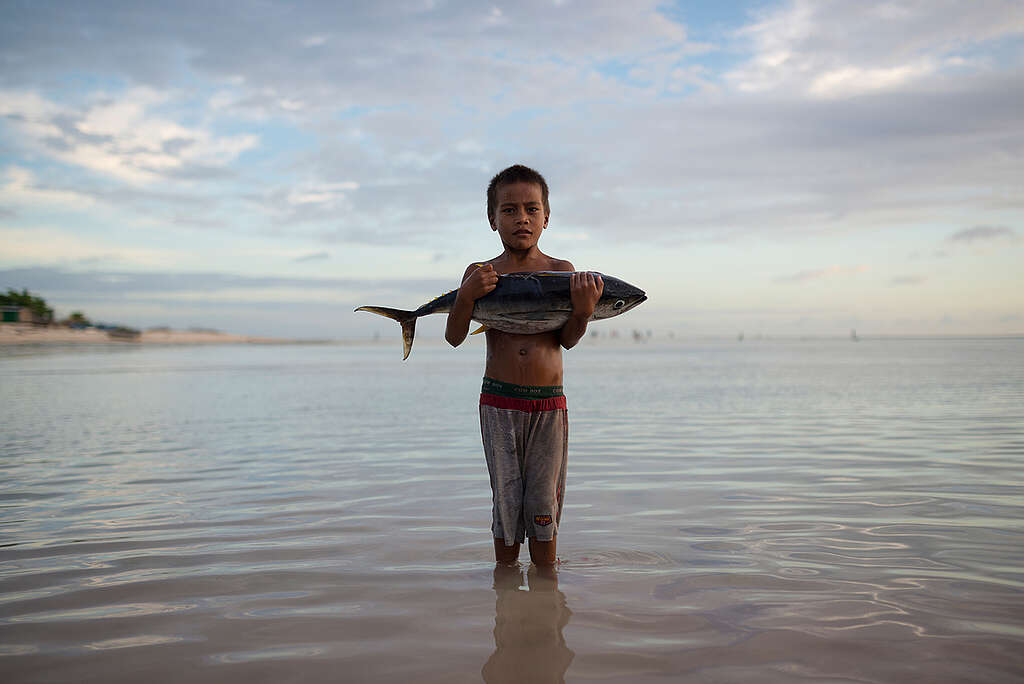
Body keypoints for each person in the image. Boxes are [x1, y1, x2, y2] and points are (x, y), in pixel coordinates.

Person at [445, 164, 603, 569]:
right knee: (507, 499)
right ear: (492, 218)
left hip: (549, 406)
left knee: (543, 502)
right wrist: (465, 297)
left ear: (546, 217)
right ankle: (506, 583)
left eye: (532, 209)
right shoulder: (480, 274)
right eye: (510, 209)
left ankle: (544, 596)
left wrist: (582, 311)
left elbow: (565, 340)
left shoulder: (564, 273)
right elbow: (454, 336)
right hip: (498, 403)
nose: (522, 218)